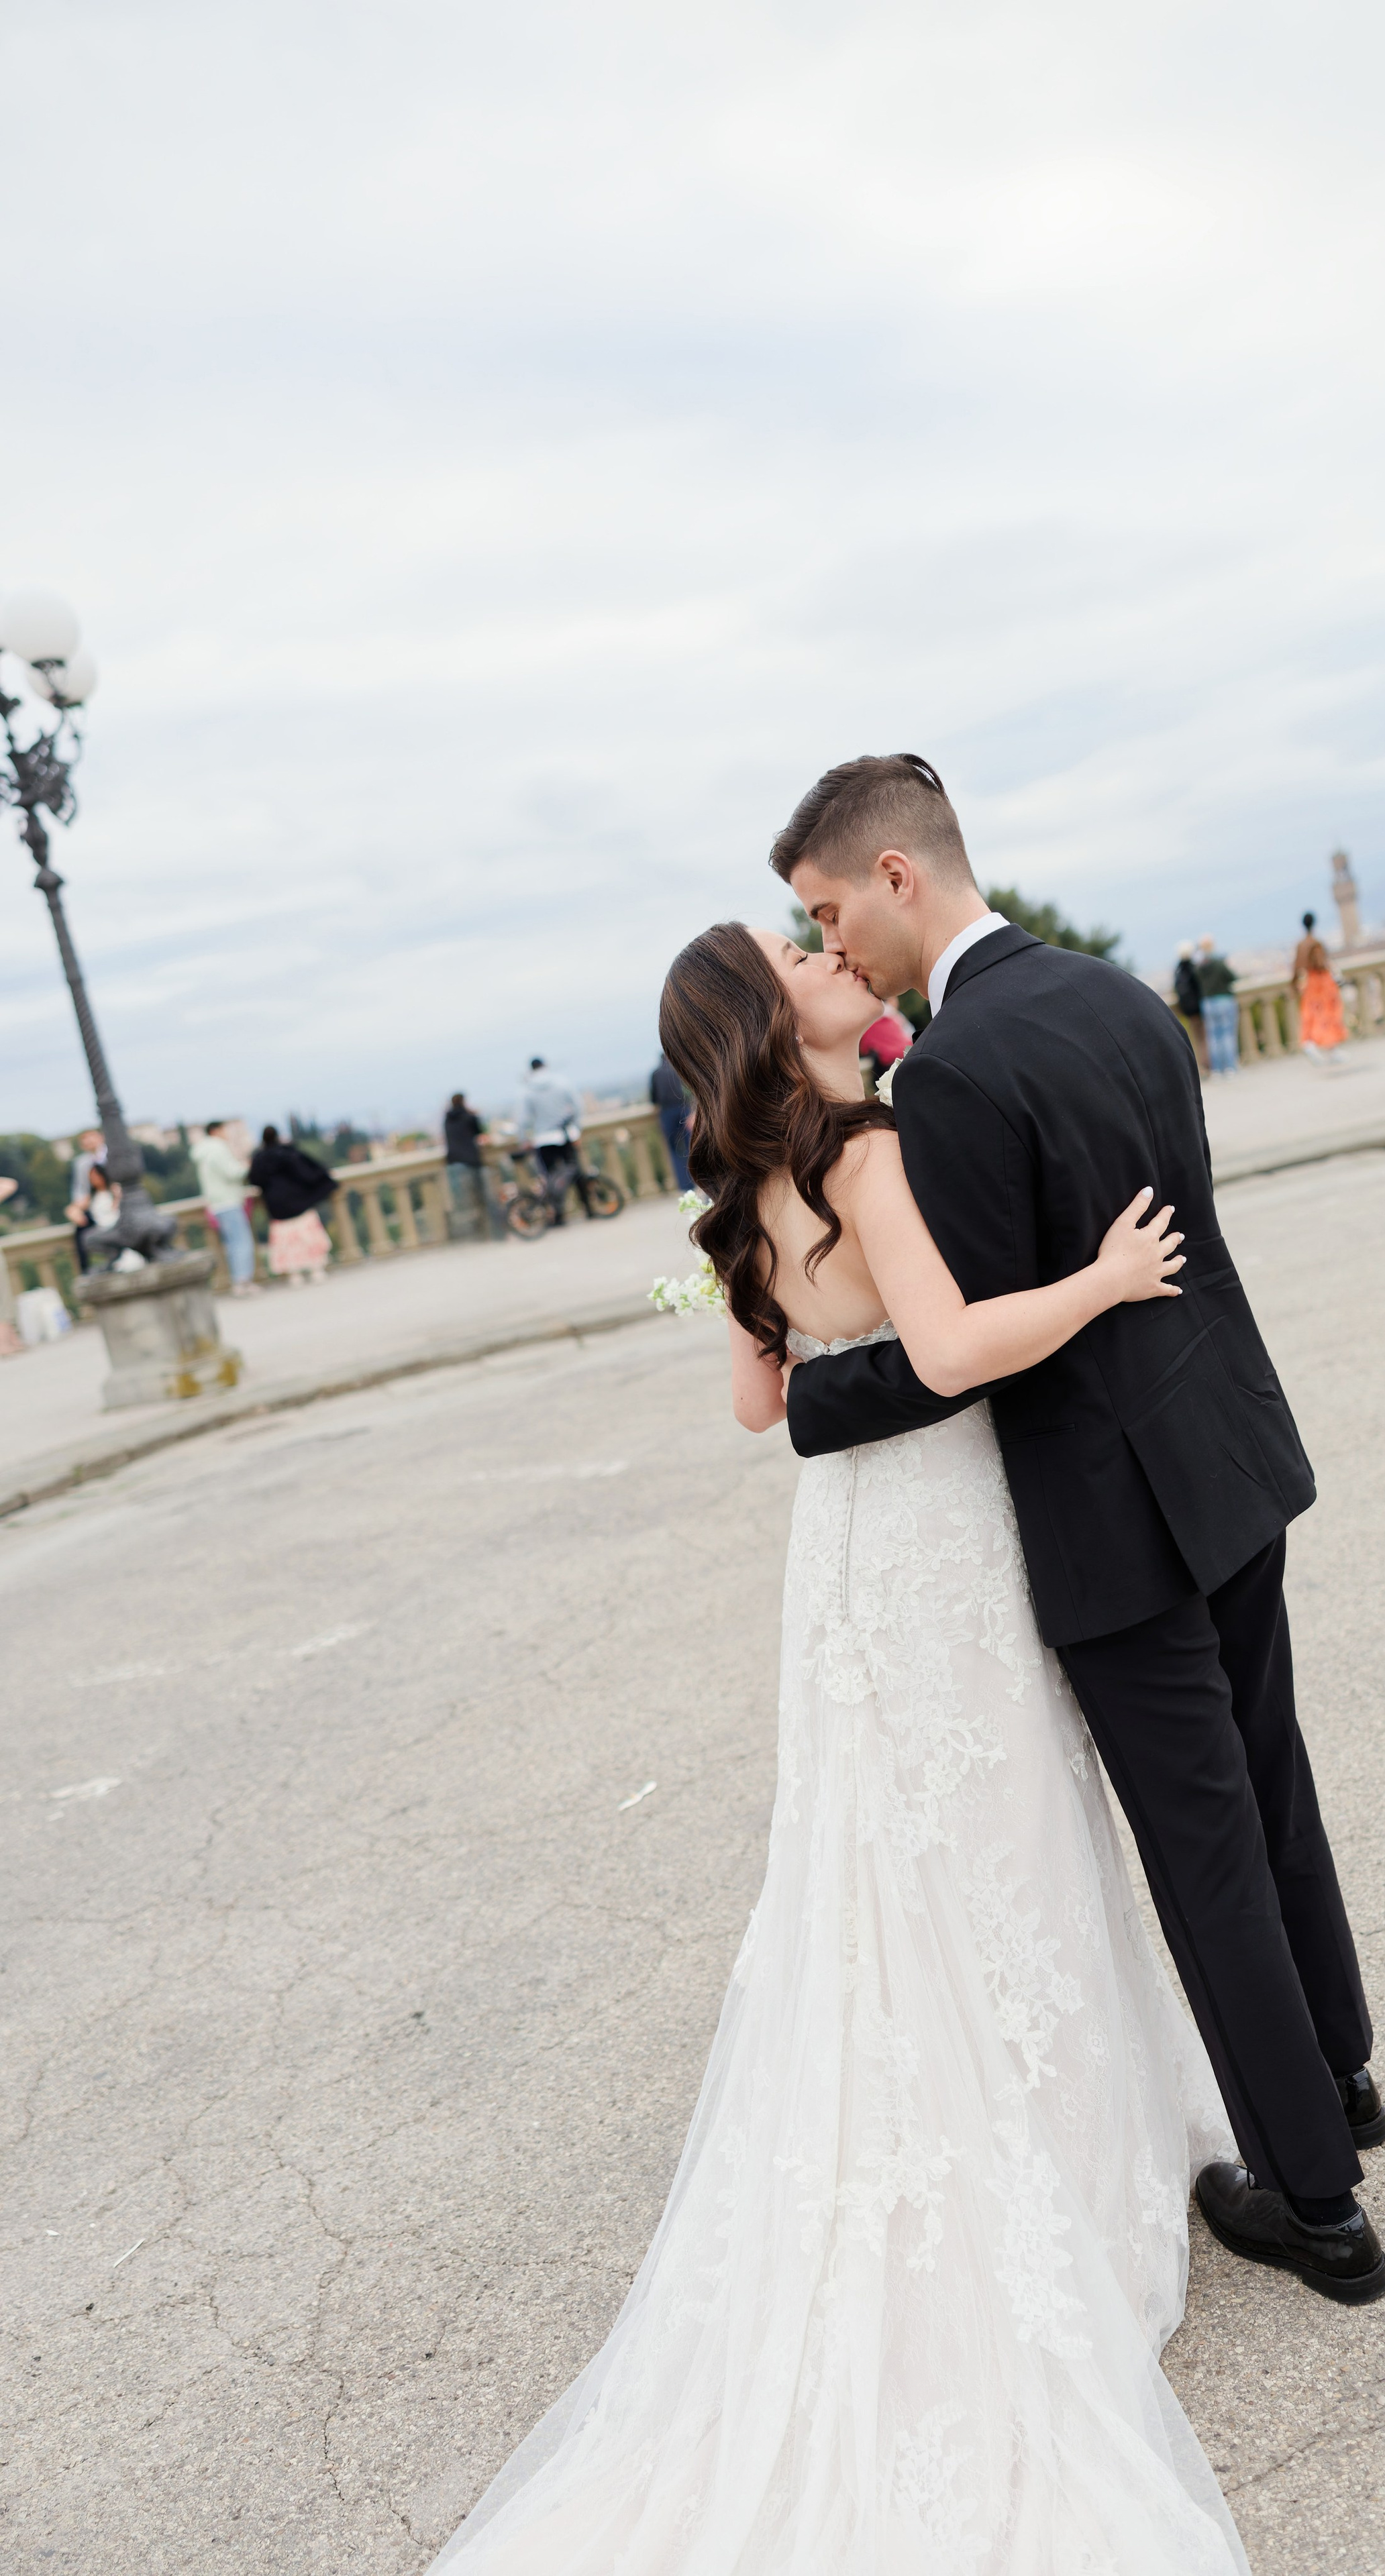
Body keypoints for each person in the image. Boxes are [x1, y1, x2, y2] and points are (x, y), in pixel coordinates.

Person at [428, 902, 1262, 2576]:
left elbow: (757, 1405)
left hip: (843, 1566)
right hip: (943, 1534)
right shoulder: (864, 1147)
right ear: (771, 1010)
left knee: (878, 1856)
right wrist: (1096, 1280)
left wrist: (779, 1310)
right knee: (1008, 1828)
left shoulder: (735, 1189)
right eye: (796, 955)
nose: (829, 962)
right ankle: (1069, 2154)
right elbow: (948, 1352)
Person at [246, 1126, 336, 1282]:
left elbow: (255, 1179)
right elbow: (307, 1173)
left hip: (277, 1207)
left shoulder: (260, 1158)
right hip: (299, 1202)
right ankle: (316, 1270)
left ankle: (295, 1275)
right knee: (308, 1237)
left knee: (286, 1243)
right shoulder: (288, 1153)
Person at [517, 1057, 595, 1222]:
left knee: (551, 1178)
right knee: (576, 1173)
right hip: (565, 1135)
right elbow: (577, 1106)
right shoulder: (561, 1082)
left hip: (543, 1140)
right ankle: (589, 1208)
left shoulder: (528, 1089)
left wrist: (524, 1138)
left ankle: (559, 1216)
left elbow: (524, 1120)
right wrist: (576, 1129)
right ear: (545, 1066)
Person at [192, 1119, 260, 1295]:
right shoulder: (218, 1148)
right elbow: (232, 1173)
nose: (227, 1134)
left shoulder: (203, 1151)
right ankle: (243, 1280)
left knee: (232, 1243)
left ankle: (239, 1280)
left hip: (216, 1203)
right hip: (229, 1201)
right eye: (224, 1130)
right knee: (242, 1242)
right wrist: (246, 1165)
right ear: (216, 1131)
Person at [443, 1092, 501, 1241]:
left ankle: (475, 1237)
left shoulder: (447, 1119)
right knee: (486, 1199)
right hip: (471, 1162)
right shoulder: (469, 1117)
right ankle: (495, 1234)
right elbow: (481, 1134)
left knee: (464, 1205)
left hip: (454, 1164)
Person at [1292, 912, 1348, 1066]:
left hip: (1310, 984)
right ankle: (1325, 1047)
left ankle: (1316, 1045)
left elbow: (1296, 967)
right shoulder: (1317, 943)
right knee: (1328, 1015)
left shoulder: (1301, 945)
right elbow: (1326, 963)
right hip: (1322, 982)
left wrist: (1294, 985)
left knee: (1311, 1015)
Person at [1194, 933, 1240, 1075]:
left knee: (1213, 1037)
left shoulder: (1200, 966)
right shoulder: (1219, 963)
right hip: (1224, 1000)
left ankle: (1217, 1069)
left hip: (1208, 1003)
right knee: (1227, 1034)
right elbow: (1232, 977)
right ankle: (1230, 1067)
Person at [647, 1053, 692, 1192]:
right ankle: (697, 1178)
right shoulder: (679, 1070)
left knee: (674, 1150)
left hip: (667, 1112)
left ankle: (684, 1185)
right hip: (684, 1109)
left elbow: (654, 1098)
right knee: (691, 1146)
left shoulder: (656, 1074)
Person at [63, 1126, 105, 1274]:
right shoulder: (81, 1163)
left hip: (109, 1200)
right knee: (81, 1231)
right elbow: (79, 1189)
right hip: (91, 1204)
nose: (88, 1141)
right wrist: (76, 1208)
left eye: (91, 1137)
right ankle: (86, 1270)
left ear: (101, 1137)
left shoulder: (111, 1156)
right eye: (84, 1139)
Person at [1172, 939, 1207, 1069]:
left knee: (1194, 1041)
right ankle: (1206, 1065)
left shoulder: (1178, 969)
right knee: (1203, 1038)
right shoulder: (1193, 968)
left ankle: (1200, 1068)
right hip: (1198, 1008)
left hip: (1187, 1009)